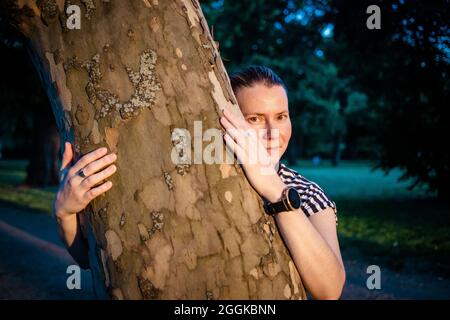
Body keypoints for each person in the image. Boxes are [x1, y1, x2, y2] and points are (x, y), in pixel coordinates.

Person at [53, 66, 345, 300]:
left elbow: (330, 290)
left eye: (281, 116)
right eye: (254, 118)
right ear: (232, 123)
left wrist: (274, 189)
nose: (272, 132)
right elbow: (95, 261)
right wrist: (66, 214)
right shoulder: (197, 178)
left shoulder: (306, 192)